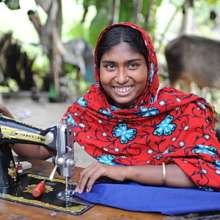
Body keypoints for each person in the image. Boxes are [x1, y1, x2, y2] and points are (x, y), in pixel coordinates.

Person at [1, 22, 220, 194]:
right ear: (98, 68)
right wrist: (5, 115)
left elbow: (207, 172)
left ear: (150, 66)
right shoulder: (88, 111)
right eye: (110, 66)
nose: (121, 78)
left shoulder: (187, 111)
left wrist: (125, 171)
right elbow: (39, 151)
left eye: (133, 65)